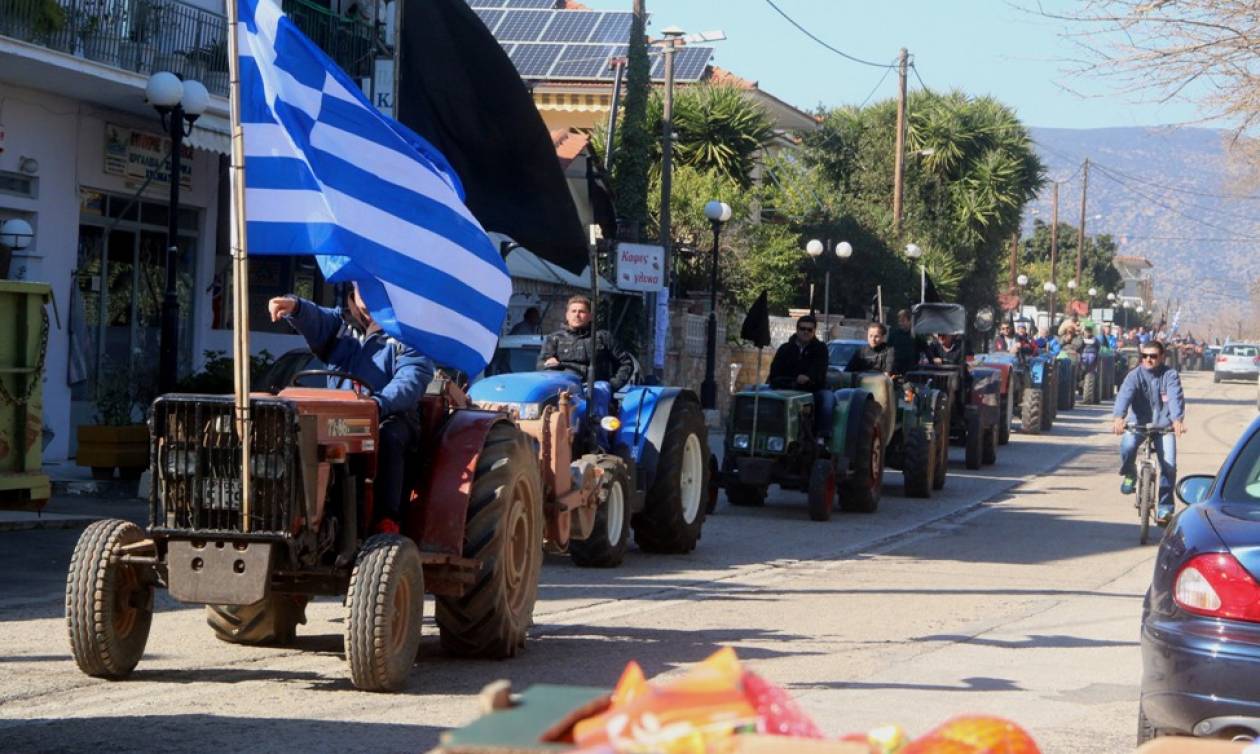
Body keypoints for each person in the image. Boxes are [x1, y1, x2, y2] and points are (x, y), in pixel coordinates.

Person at [270, 285, 434, 534]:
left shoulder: (407, 334)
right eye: (362, 283)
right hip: (339, 419)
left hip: (388, 414)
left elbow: (412, 377)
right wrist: (295, 307)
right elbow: (315, 318)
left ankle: (386, 520)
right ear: (354, 290)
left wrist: (378, 403)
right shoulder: (341, 327)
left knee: (389, 436)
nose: (368, 290)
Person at [1112, 340, 1186, 524]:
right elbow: (1124, 396)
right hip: (1138, 424)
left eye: (1153, 356)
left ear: (1162, 357)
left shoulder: (1170, 375)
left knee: (1169, 465)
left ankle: (1164, 509)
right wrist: (1119, 418)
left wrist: (1177, 420)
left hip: (1163, 426)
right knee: (1128, 447)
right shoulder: (1133, 376)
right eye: (1144, 356)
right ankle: (1129, 473)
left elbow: (1175, 397)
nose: (1148, 360)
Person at [538, 295, 634, 390]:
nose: (577, 315)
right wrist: (549, 364)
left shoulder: (603, 337)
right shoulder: (555, 339)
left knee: (599, 394)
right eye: (573, 311)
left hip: (597, 390)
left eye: (582, 311)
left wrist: (612, 386)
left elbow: (625, 363)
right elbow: (541, 365)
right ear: (567, 315)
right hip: (566, 390)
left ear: (590, 316)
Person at [769, 314, 834, 440]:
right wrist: (786, 380)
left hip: (812, 389)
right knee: (755, 392)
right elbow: (775, 370)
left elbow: (820, 370)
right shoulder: (785, 349)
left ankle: (822, 438)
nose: (805, 332)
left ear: (814, 331)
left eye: (809, 329)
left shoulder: (821, 349)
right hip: (785, 388)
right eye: (802, 328)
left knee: (827, 399)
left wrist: (808, 377)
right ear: (797, 329)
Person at [887, 309, 922, 374]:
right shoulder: (893, 334)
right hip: (895, 371)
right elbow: (888, 351)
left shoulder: (916, 335)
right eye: (899, 321)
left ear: (910, 321)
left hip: (912, 371)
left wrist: (934, 358)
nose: (900, 323)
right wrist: (888, 369)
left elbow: (926, 349)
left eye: (903, 321)